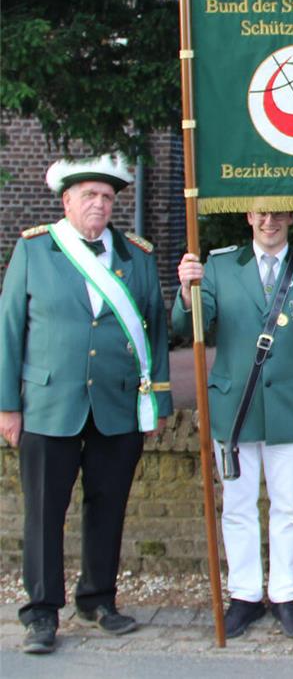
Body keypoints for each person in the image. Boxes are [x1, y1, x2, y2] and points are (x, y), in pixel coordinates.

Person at [0, 154, 172, 655]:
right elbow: (10, 332)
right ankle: (41, 611)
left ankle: (97, 599)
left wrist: (156, 405)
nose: (99, 204)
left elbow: (156, 332)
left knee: (108, 507)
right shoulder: (35, 250)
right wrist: (8, 406)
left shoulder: (136, 255)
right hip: (50, 403)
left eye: (107, 197)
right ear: (67, 202)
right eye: (89, 196)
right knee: (44, 512)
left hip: (117, 405)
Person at [171, 207, 293, 639]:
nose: (270, 222)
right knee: (239, 507)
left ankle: (286, 594)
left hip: (291, 407)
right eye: (262, 214)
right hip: (234, 409)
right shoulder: (219, 266)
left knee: (288, 507)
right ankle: (244, 595)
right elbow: (189, 327)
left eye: (279, 215)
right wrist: (186, 292)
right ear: (249, 216)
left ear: (292, 218)